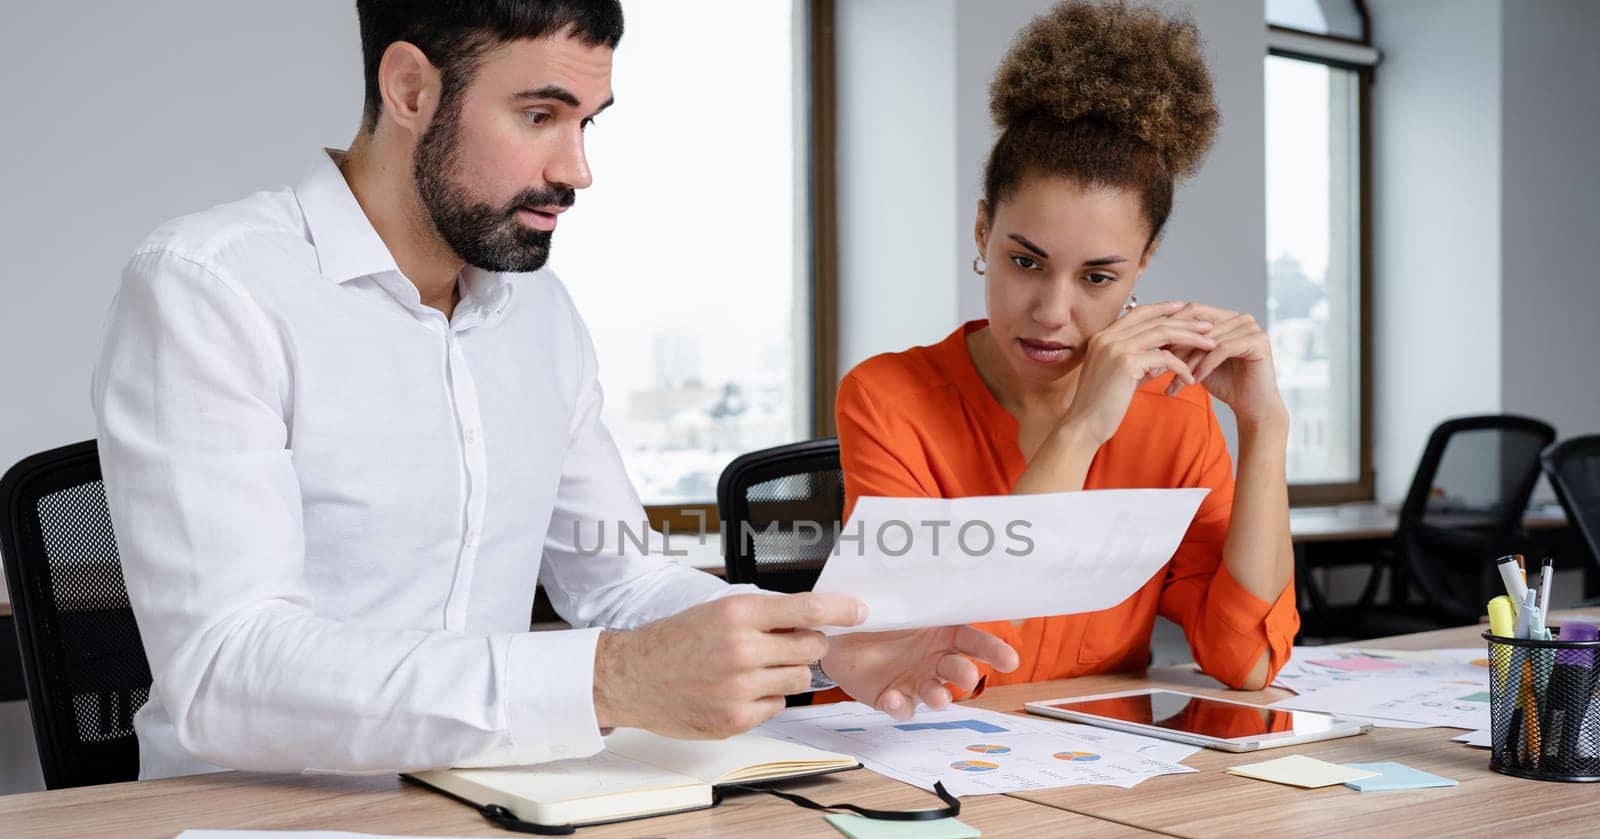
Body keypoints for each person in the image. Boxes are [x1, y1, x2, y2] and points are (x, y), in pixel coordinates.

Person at [94, 0, 1017, 780]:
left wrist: (815, 646)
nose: (576, 170)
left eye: (587, 122)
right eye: (540, 116)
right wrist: (605, 682)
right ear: (411, 89)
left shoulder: (540, 315)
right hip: (245, 837)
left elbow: (615, 580)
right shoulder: (212, 286)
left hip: (499, 808)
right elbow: (226, 666)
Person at [835, 0, 1297, 694]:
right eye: (1025, 261)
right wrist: (1082, 429)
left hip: (1091, 775)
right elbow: (946, 667)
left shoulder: (1176, 416)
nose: (1052, 312)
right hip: (911, 766)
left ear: (1143, 265)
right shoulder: (887, 399)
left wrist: (1265, 426)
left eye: (1098, 277)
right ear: (982, 233)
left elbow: (1249, 661)